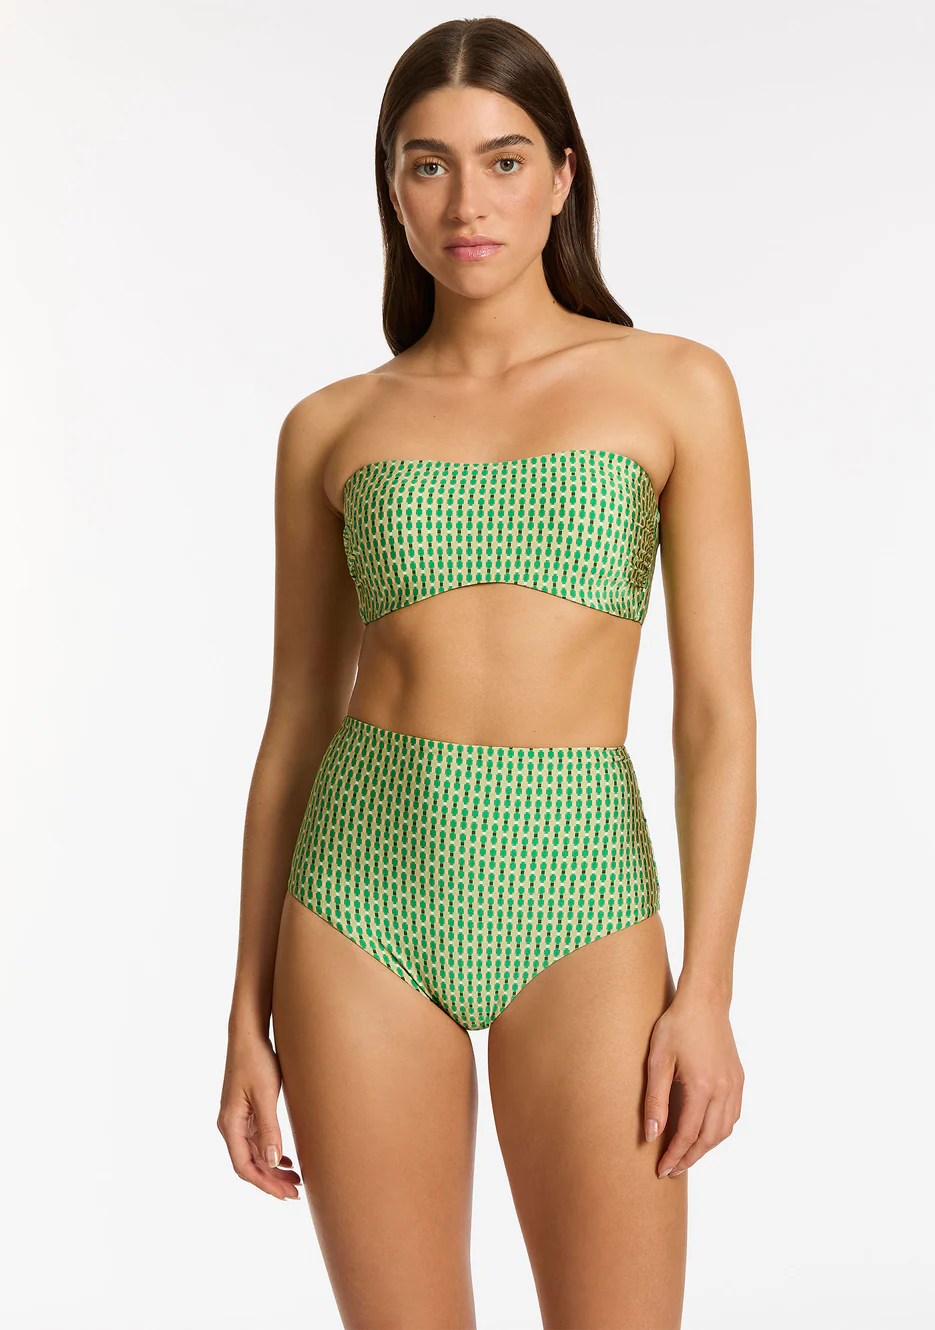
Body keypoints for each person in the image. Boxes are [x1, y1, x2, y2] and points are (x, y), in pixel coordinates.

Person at [218, 16, 755, 1329]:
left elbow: (713, 714)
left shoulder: (674, 387)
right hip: (358, 892)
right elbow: (295, 722)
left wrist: (708, 991)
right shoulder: (330, 427)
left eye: (505, 161)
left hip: (580, 885)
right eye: (430, 164)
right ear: (393, 188)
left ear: (563, 177)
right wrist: (243, 1010)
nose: (469, 203)